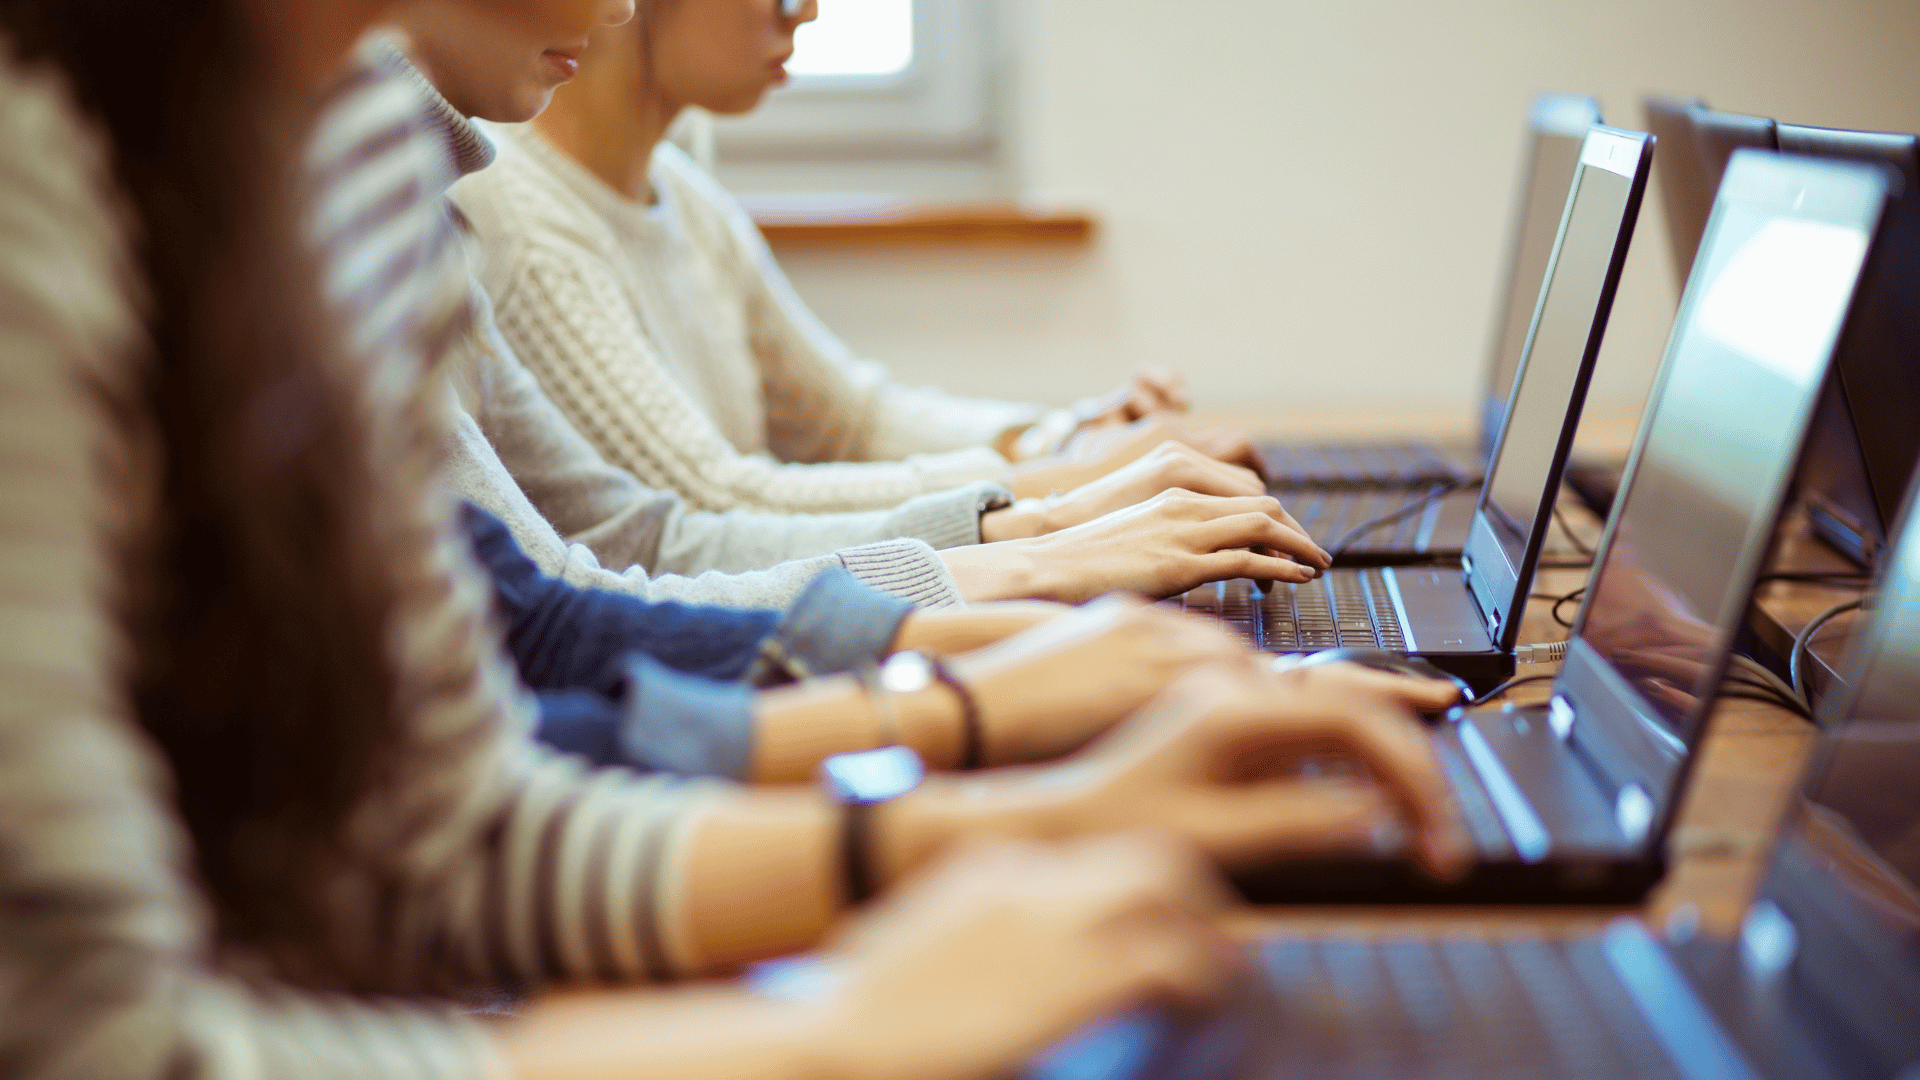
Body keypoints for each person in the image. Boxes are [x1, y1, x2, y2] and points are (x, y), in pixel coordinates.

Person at [0, 2, 1470, 1078]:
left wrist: (1002, 816)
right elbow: (94, 1039)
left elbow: (450, 828)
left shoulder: (369, 156)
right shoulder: (39, 191)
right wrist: (834, 1021)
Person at [384, 1, 1316, 613]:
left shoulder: (674, 192)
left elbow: (846, 416)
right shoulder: (504, 221)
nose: (809, 12)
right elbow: (695, 518)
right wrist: (1050, 506)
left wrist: (1055, 445)